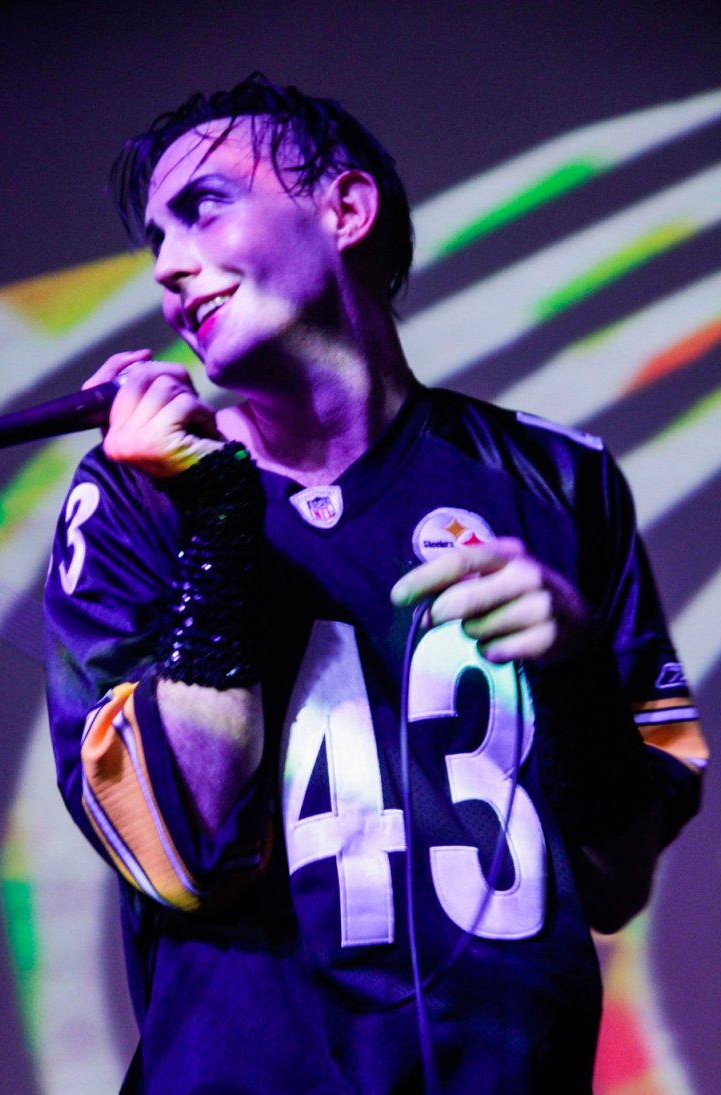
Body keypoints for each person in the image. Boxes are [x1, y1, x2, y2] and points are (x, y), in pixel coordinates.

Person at [44, 74, 708, 1093]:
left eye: (203, 207)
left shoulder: (559, 481)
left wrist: (572, 666)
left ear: (343, 211)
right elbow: (177, 852)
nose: (169, 269)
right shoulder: (136, 499)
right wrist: (220, 517)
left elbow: (613, 883)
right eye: (153, 242)